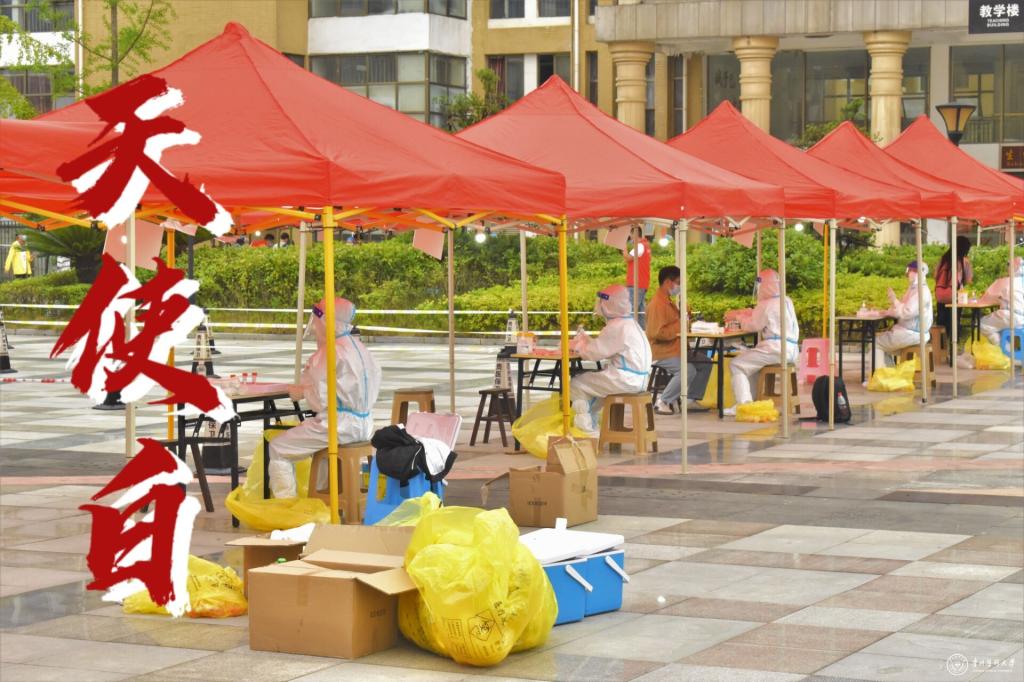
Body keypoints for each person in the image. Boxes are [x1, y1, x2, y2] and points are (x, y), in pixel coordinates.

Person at [268, 297, 382, 498]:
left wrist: (301, 392)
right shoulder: (360, 349)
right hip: (365, 424)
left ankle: (286, 504)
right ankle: (322, 499)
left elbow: (319, 400)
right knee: (319, 453)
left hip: (338, 425)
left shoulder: (330, 352)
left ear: (326, 321)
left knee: (278, 447)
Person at [568, 284, 652, 434]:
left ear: (608, 305)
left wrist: (578, 346)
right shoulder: (630, 323)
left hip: (625, 379)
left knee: (576, 384)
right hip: (639, 379)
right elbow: (606, 347)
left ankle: (586, 432)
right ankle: (592, 425)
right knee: (594, 388)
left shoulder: (616, 327)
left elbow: (594, 354)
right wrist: (588, 341)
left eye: (601, 302)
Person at [724, 269, 799, 416]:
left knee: (737, 364)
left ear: (764, 286)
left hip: (775, 348)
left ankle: (743, 405)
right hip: (791, 349)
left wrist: (738, 317)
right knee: (750, 364)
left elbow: (752, 325)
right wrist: (748, 313)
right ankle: (751, 401)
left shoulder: (766, 304)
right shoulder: (786, 300)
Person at [646, 266, 711, 414]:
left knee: (705, 363)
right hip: (663, 352)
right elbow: (657, 333)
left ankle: (691, 399)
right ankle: (663, 401)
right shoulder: (657, 304)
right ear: (668, 282)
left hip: (677, 349)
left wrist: (684, 318)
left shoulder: (668, 302)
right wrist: (679, 324)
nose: (680, 286)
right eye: (678, 282)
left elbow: (676, 325)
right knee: (688, 370)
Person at [873, 261, 933, 369]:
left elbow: (906, 312)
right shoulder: (914, 288)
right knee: (883, 343)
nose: (908, 273)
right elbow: (902, 307)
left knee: (875, 343)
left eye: (910, 271)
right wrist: (888, 311)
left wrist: (894, 300)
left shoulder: (921, 291)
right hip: (910, 332)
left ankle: (881, 375)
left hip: (912, 334)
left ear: (917, 272)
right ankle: (889, 374)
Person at [934, 236, 973, 344]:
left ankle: (940, 347)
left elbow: (935, 275)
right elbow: (968, 279)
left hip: (940, 296)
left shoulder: (943, 259)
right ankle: (953, 345)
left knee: (941, 323)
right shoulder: (964, 261)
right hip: (954, 297)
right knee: (954, 322)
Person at [979, 257, 1023, 349]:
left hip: (1010, 316)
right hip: (1021, 318)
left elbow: (989, 297)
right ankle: (1009, 348)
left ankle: (1002, 348)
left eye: (1008, 265)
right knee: (999, 324)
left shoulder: (1006, 281)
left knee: (982, 324)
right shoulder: (1021, 281)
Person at [623, 232, 650, 328]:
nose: (630, 237)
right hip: (642, 283)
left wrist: (623, 246)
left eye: (630, 234)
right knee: (641, 312)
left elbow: (627, 258)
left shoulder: (640, 246)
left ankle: (631, 333)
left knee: (630, 311)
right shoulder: (645, 245)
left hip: (635, 283)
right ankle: (643, 333)